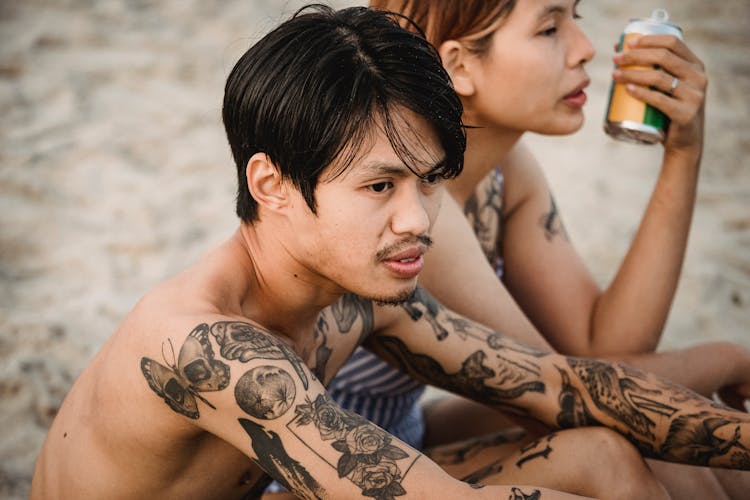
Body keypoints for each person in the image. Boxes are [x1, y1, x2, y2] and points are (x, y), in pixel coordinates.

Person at [31, 4, 750, 500]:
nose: (417, 218)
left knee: (603, 453)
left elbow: (560, 386)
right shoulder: (207, 346)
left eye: (429, 182)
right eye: (379, 185)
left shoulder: (350, 293)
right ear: (271, 183)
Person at [316, 0, 750, 498]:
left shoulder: (505, 170)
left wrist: (682, 154)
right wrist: (731, 358)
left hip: (408, 431)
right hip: (336, 469)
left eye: (576, 20)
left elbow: (600, 346)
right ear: (459, 66)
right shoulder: (416, 212)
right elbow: (555, 397)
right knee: (630, 440)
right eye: (549, 28)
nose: (585, 50)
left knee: (666, 412)